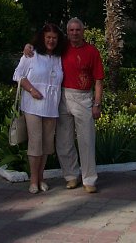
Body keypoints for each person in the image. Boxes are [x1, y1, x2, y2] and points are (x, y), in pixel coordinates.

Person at [24, 17, 105, 193]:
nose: (75, 33)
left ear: (83, 31)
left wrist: (97, 103)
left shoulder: (92, 51)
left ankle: (89, 179)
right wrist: (28, 46)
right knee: (63, 140)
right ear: (67, 32)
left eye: (78, 30)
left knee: (86, 140)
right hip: (62, 97)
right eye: (71, 30)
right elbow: (43, 46)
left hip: (83, 97)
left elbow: (99, 80)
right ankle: (71, 176)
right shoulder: (62, 48)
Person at [13, 24, 64, 194]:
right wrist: (31, 90)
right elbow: (18, 75)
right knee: (35, 142)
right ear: (43, 38)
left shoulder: (58, 57)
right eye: (48, 37)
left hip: (51, 107)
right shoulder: (31, 54)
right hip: (33, 106)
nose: (51, 41)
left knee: (47, 144)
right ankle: (33, 180)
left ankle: (41, 177)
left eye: (54, 38)